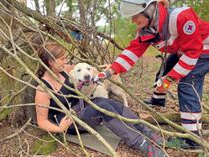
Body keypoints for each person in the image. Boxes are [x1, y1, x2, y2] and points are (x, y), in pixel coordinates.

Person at [95, 0, 209, 148]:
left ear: (148, 10)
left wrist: (168, 80)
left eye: (136, 16)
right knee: (165, 68)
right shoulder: (148, 28)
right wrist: (110, 71)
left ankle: (193, 139)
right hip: (183, 50)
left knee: (188, 84)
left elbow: (193, 53)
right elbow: (132, 51)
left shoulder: (182, 17)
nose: (133, 20)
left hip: (203, 50)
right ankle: (158, 100)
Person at [34, 42, 167, 157]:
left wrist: (107, 70)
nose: (66, 62)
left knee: (108, 102)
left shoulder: (63, 70)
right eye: (62, 59)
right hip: (70, 122)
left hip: (81, 108)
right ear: (51, 62)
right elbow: (42, 121)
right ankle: (142, 144)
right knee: (103, 108)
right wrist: (60, 129)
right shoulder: (43, 89)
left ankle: (145, 130)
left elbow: (88, 71)